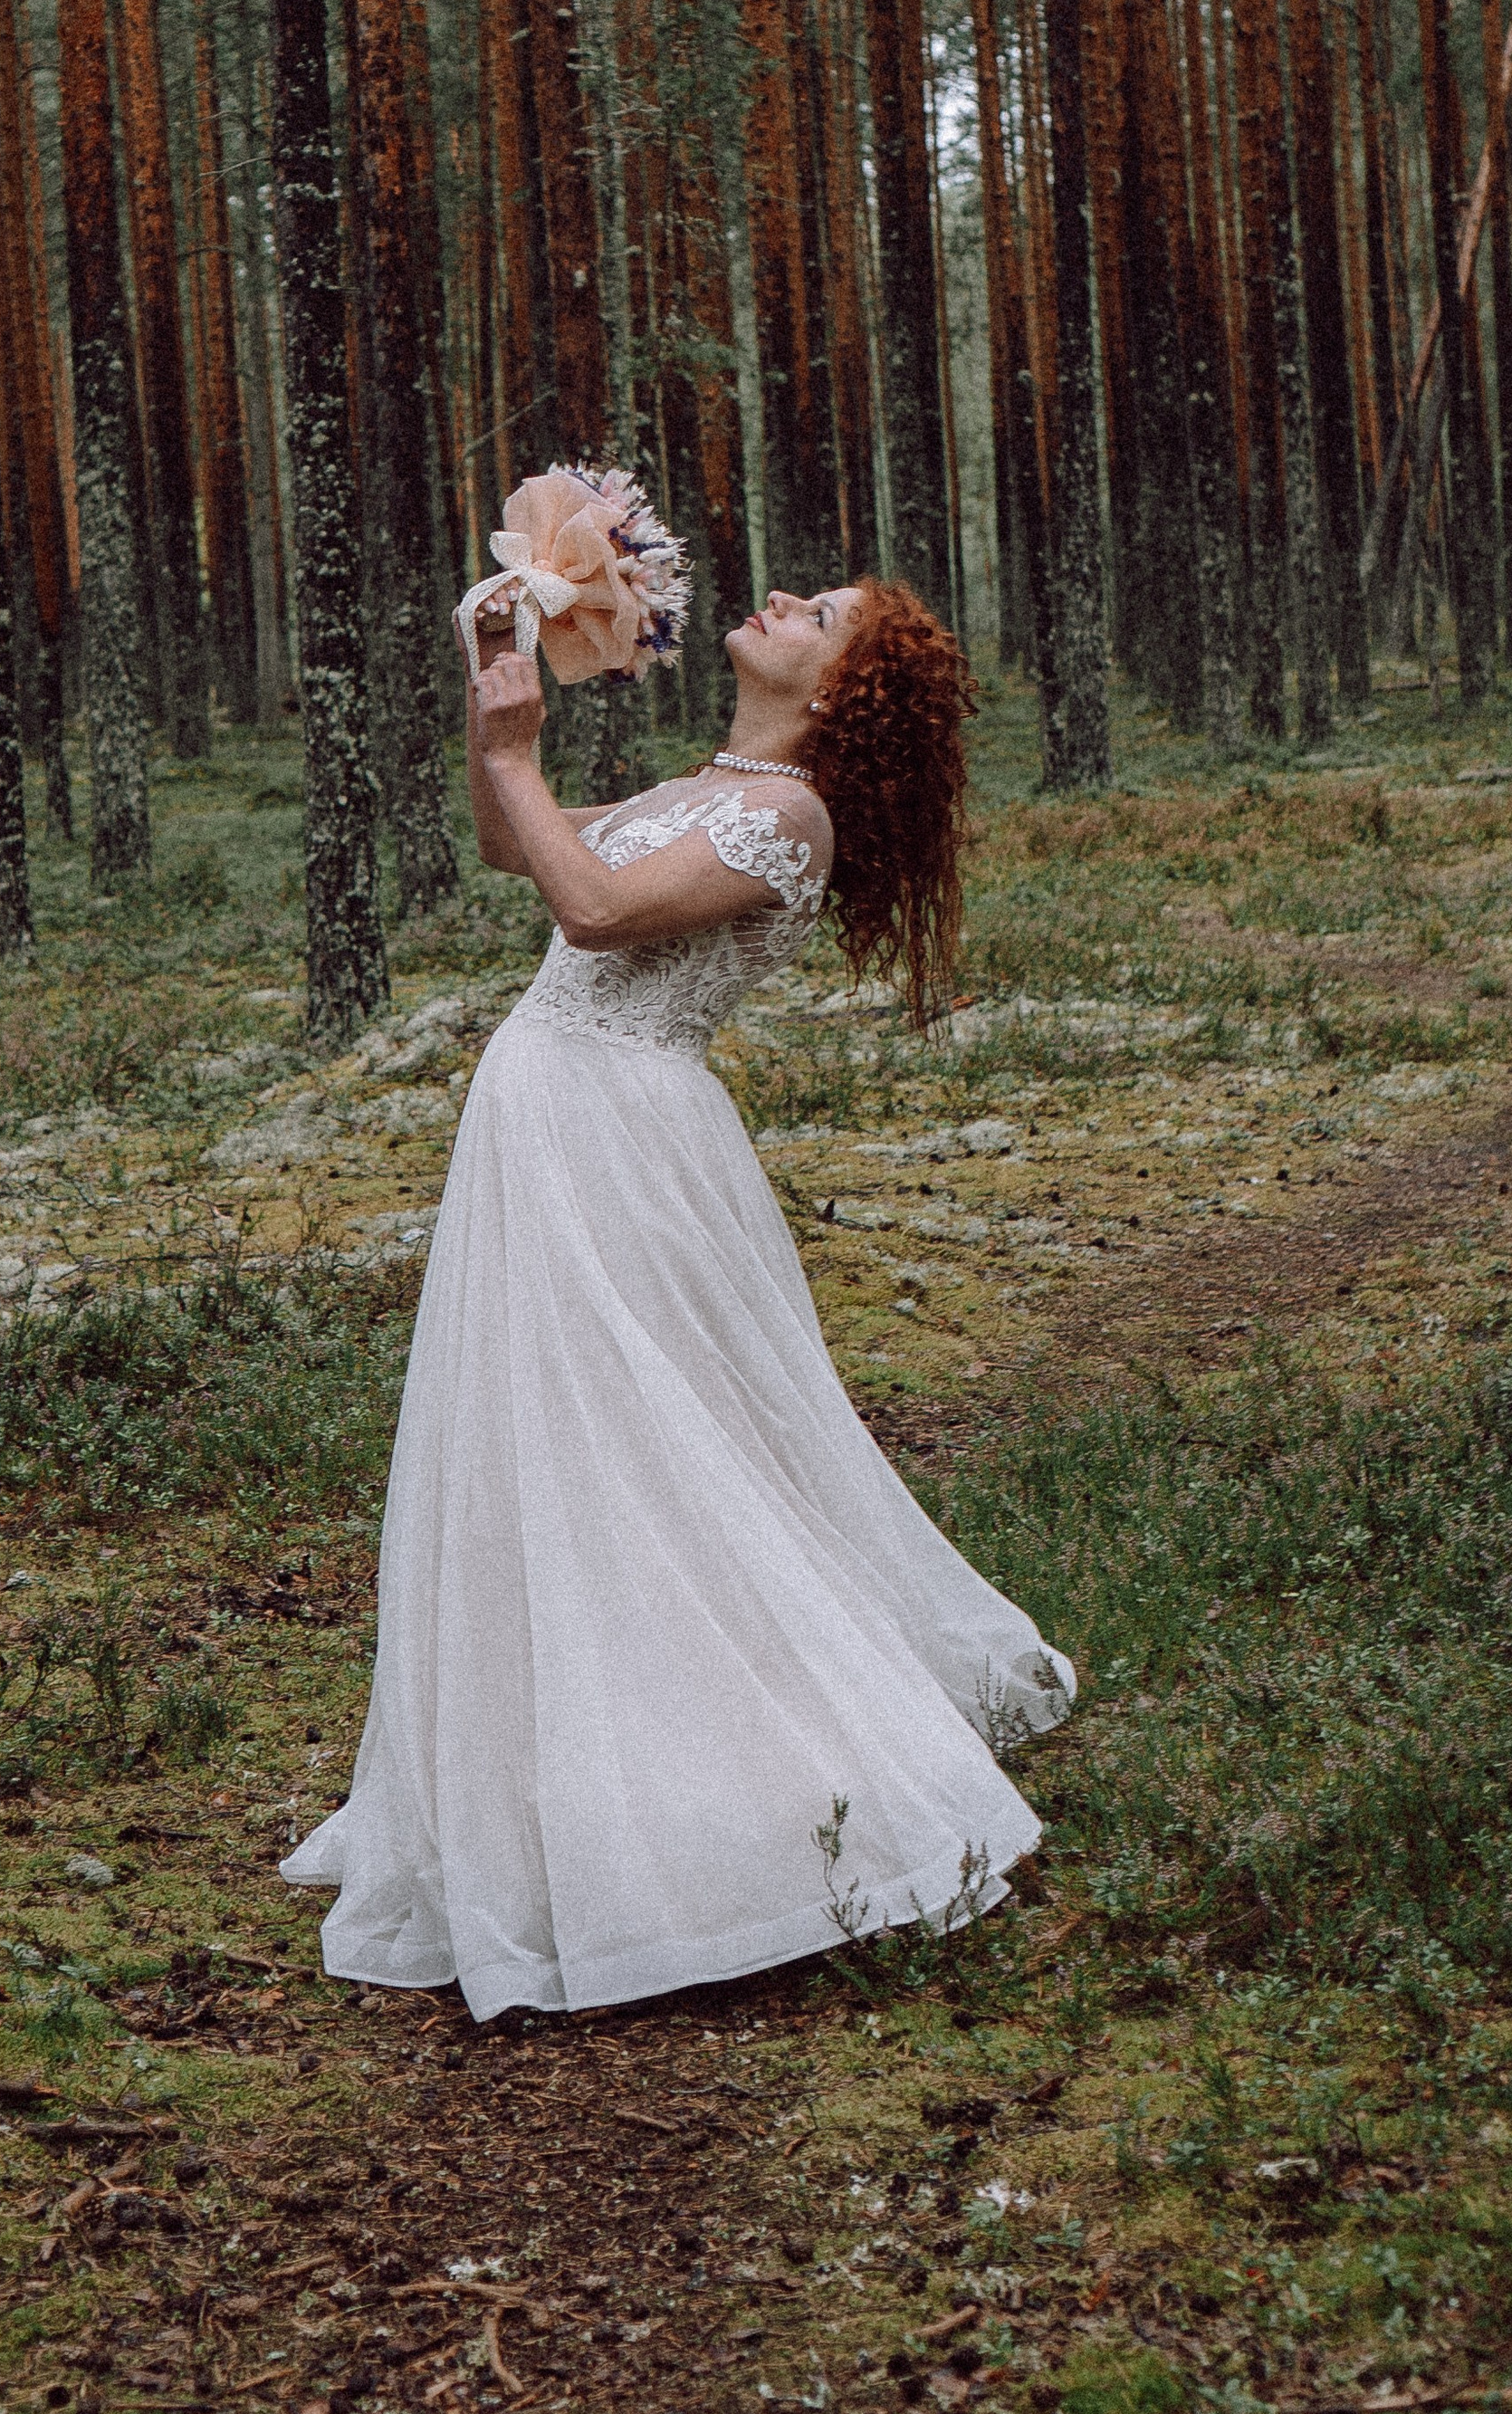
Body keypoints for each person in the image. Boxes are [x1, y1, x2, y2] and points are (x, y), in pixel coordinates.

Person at [282, 580, 1074, 2019]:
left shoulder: (794, 822)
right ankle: (566, 1777)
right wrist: (497, 701)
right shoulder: (709, 783)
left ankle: (735, 1797)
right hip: (546, 1123)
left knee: (657, 1447)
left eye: (816, 612)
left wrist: (526, 762)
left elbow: (590, 914)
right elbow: (508, 849)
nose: (779, 599)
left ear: (838, 688)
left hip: (621, 1144)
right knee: (548, 1448)